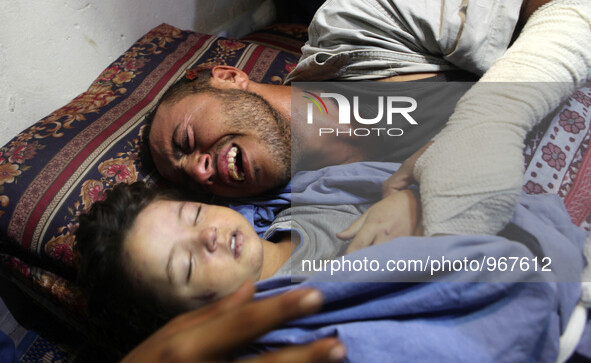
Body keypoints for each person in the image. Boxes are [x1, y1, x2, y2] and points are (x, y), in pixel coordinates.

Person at [142, 0, 591, 244]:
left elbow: (572, 10)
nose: (200, 171)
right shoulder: (314, 213)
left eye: (185, 141)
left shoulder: (357, 21)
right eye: (192, 183)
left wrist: (491, 121)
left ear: (228, 78)